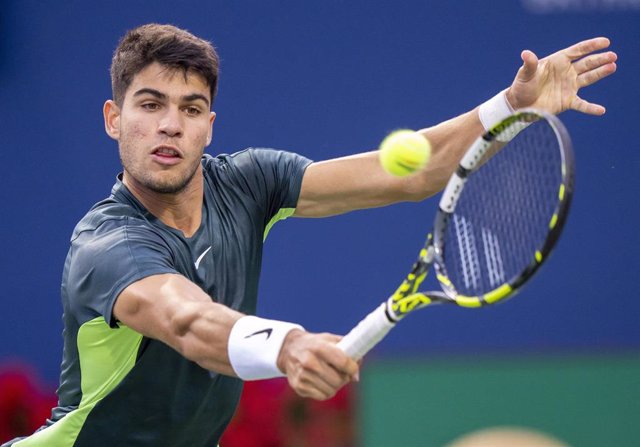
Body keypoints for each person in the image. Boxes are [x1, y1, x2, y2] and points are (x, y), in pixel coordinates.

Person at [2, 23, 616, 447]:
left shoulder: (246, 183)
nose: (169, 125)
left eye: (190, 109)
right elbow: (186, 321)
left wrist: (509, 104)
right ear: (114, 119)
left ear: (209, 126)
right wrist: (289, 345)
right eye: (149, 104)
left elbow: (411, 172)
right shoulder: (105, 244)